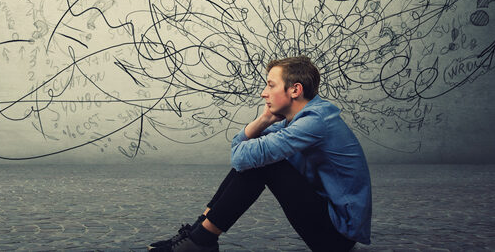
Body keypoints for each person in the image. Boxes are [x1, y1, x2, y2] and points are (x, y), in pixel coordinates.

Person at [148, 56, 372, 252]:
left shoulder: (315, 122)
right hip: (329, 225)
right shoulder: (296, 119)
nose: (264, 93)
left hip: (337, 237)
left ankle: (201, 240)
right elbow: (241, 147)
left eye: (271, 85)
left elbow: (241, 155)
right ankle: (198, 233)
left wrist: (259, 129)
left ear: (295, 90)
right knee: (256, 158)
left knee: (263, 163)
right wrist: (264, 119)